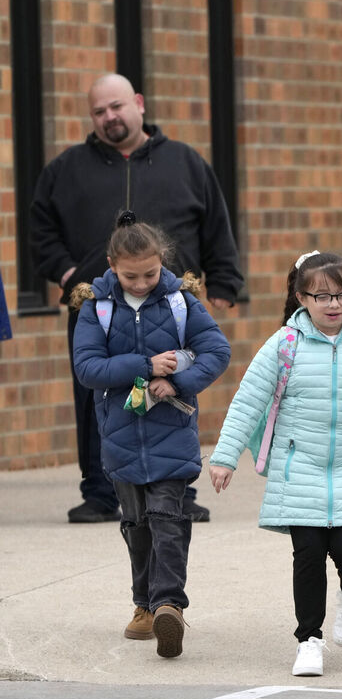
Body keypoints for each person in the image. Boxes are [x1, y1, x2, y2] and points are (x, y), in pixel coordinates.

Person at [31, 73, 243, 524]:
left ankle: (176, 492)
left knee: (173, 394)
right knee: (98, 398)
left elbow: (215, 224)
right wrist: (71, 275)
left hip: (172, 304)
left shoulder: (185, 162)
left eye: (117, 106)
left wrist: (224, 280)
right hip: (100, 307)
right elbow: (40, 232)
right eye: (99, 111)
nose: (109, 117)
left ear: (139, 103)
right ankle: (102, 492)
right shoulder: (65, 169)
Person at [207, 251, 342, 677]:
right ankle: (309, 640)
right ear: (301, 298)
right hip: (297, 468)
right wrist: (225, 456)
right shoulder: (285, 344)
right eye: (321, 296)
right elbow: (248, 400)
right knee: (307, 555)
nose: (333, 304)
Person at [69, 216, 231, 658]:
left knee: (168, 518)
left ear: (163, 263)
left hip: (172, 433)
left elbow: (217, 351)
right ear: (111, 266)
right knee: (137, 526)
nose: (141, 283)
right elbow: (87, 368)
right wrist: (145, 365)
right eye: (130, 276)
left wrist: (179, 383)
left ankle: (168, 606)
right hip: (119, 437)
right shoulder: (96, 308)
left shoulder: (181, 301)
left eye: (151, 273)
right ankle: (143, 605)